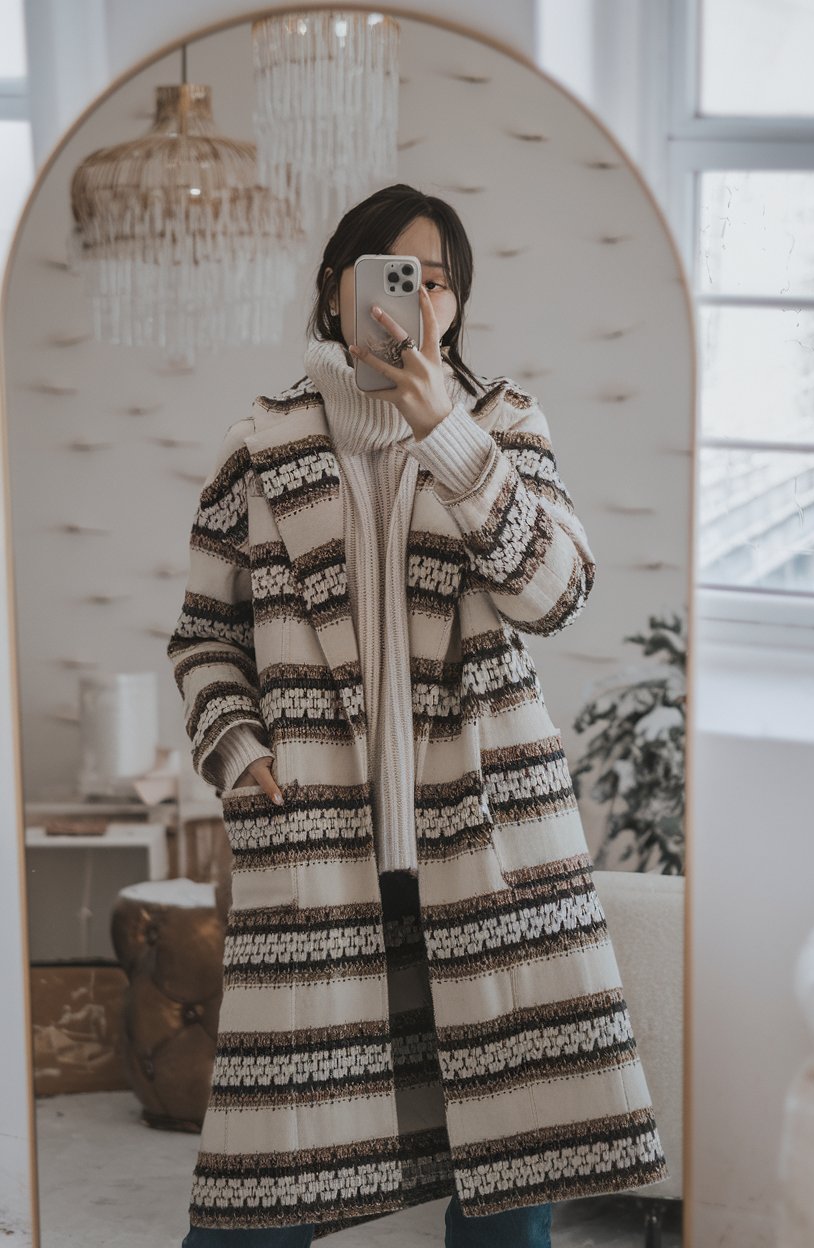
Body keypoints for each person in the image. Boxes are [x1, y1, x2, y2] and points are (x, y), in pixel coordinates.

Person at [170, 183, 666, 1246]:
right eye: (394, 274)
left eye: (437, 281)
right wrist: (236, 744)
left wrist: (444, 429)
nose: (417, 298)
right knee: (260, 1196)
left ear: (455, 305)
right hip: (319, 845)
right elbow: (205, 636)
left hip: (491, 851)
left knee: (508, 1186)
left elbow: (557, 592)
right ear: (335, 289)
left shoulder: (502, 422)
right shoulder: (257, 446)